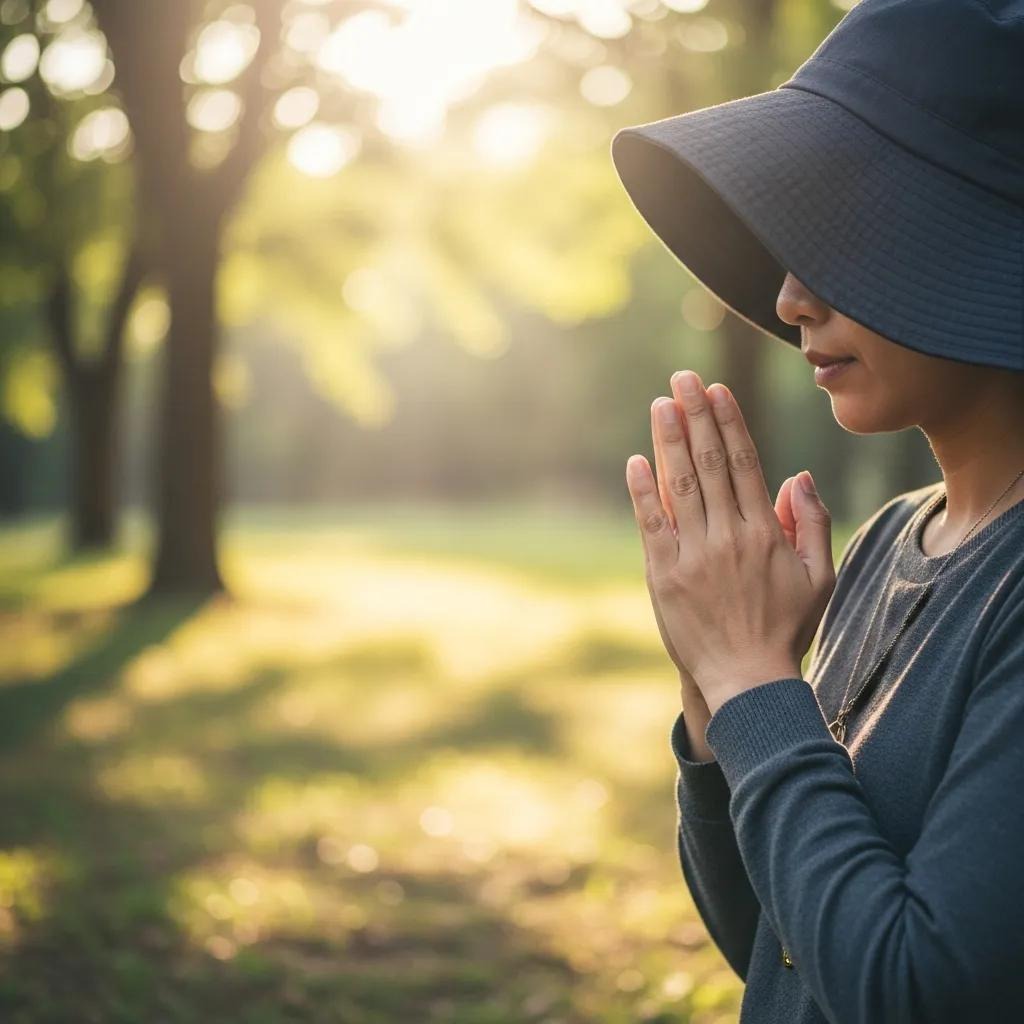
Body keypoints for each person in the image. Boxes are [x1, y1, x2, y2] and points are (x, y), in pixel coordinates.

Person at [609, 1, 1024, 1022]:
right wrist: (716, 688)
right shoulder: (891, 542)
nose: (791, 296)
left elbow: (911, 991)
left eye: (848, 234)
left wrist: (757, 678)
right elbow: (776, 947)